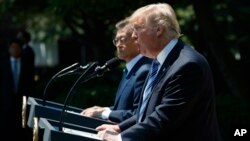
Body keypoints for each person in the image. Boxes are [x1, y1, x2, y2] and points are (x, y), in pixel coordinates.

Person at [96, 3, 221, 141]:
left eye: (137, 28)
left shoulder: (187, 64)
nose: (133, 36)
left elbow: (164, 118)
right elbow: (146, 112)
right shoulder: (159, 61)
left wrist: (120, 138)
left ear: (158, 30)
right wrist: (119, 127)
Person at [80, 18, 152, 123]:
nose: (118, 44)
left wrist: (102, 114)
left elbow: (138, 114)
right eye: (116, 40)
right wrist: (105, 109)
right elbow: (123, 108)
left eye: (122, 40)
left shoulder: (144, 70)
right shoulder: (130, 69)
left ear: (137, 40)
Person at [0, 38, 34, 140]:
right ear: (9, 49)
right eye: (13, 47)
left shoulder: (27, 66)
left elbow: (31, 86)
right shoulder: (2, 65)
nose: (15, 50)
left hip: (22, 104)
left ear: (20, 49)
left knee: (21, 131)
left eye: (17, 47)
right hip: (5, 104)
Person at [16, 30, 35, 97]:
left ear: (24, 38)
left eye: (19, 37)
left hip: (26, 83)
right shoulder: (19, 49)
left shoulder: (29, 51)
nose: (17, 38)